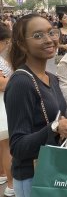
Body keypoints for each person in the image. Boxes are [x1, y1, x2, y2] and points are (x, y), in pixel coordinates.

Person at [4, 14, 67, 197]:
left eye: (51, 32)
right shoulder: (21, 83)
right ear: (22, 44)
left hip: (55, 170)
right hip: (33, 177)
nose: (49, 40)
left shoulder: (52, 79)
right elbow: (17, 146)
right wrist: (55, 127)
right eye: (38, 36)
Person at [0, 23, 14, 196]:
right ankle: (12, 184)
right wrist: (17, 76)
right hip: (3, 104)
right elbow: (2, 83)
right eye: (5, 41)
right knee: (7, 144)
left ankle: (3, 174)